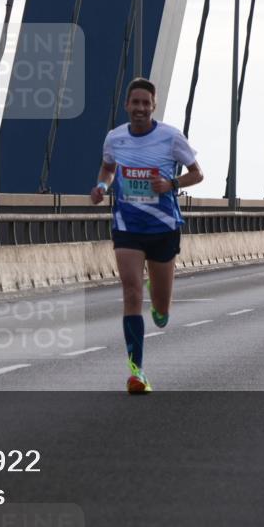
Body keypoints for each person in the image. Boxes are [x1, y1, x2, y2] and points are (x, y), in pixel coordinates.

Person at [90, 77, 203, 393]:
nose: (140, 108)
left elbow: (198, 173)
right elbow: (108, 168)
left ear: (153, 106)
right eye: (134, 103)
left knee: (162, 312)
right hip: (128, 227)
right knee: (130, 292)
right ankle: (136, 372)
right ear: (127, 105)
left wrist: (173, 185)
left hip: (163, 227)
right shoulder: (115, 138)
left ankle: (160, 301)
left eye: (145, 103)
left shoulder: (170, 138)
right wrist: (101, 186)